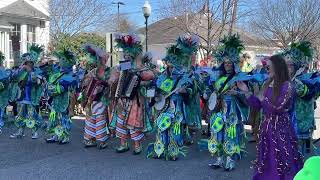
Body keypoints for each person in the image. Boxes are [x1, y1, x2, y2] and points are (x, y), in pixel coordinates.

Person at [243, 55, 303, 180]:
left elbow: (277, 107)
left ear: (277, 67)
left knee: (282, 156)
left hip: (281, 129)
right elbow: (258, 104)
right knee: (268, 157)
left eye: (268, 66)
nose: (266, 69)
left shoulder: (287, 86)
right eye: (266, 67)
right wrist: (246, 92)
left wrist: (261, 98)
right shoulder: (267, 83)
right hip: (267, 128)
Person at [146, 35, 200, 160]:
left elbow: (192, 90)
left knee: (175, 128)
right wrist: (154, 96)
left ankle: (173, 151)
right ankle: (160, 150)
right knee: (161, 127)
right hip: (163, 107)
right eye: (169, 65)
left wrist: (184, 91)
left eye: (172, 65)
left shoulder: (184, 77)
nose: (170, 67)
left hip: (177, 107)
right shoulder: (162, 77)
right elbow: (156, 90)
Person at [207, 34, 248, 171]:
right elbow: (212, 90)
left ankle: (230, 160)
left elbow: (247, 94)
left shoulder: (239, 77)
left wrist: (237, 93)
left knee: (231, 133)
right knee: (218, 132)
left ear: (234, 63)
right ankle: (219, 159)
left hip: (232, 109)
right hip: (219, 108)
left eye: (230, 63)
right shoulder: (219, 77)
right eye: (225, 63)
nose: (228, 65)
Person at [110, 34, 155, 155]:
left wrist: (142, 82)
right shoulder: (123, 66)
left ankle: (137, 146)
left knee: (134, 123)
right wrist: (113, 78)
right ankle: (123, 144)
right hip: (122, 99)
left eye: (129, 54)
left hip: (136, 100)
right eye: (125, 53)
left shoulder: (140, 68)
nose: (126, 55)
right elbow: (116, 77)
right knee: (120, 121)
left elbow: (150, 76)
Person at [10, 44, 44, 139]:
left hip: (31, 97)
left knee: (31, 115)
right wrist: (22, 69)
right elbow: (13, 77)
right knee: (20, 115)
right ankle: (20, 131)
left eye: (27, 62)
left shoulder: (37, 71)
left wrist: (30, 72)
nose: (25, 63)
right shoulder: (21, 70)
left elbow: (37, 82)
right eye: (24, 61)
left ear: (32, 62)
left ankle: (34, 132)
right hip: (21, 97)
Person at [80, 44, 111, 149]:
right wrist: (86, 82)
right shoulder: (92, 72)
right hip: (90, 99)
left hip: (102, 98)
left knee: (100, 118)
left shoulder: (109, 71)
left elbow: (112, 83)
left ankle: (102, 140)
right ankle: (90, 139)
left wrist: (104, 84)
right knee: (90, 118)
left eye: (102, 59)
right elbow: (84, 83)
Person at [45, 49, 78, 144]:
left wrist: (57, 88)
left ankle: (65, 136)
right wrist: (52, 89)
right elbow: (50, 84)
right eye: (62, 59)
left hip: (65, 101)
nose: (62, 61)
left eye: (65, 60)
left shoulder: (72, 75)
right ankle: (55, 135)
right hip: (55, 101)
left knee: (64, 118)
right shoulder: (58, 74)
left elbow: (68, 88)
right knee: (54, 118)